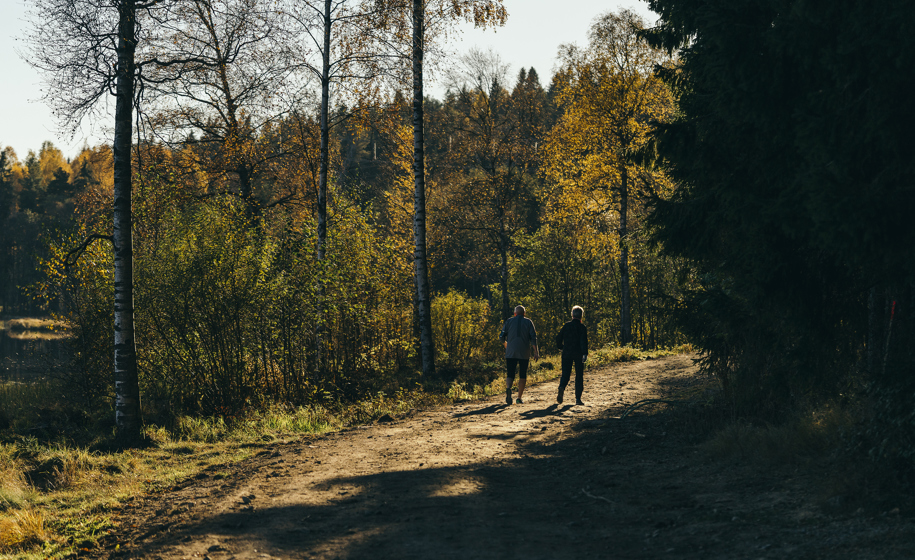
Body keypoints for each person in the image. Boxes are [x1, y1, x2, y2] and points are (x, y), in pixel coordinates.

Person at [499, 305, 539, 404]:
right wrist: (536, 351)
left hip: (511, 351)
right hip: (524, 352)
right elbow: (533, 338)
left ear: (515, 313)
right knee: (522, 374)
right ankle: (519, 398)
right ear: (524, 313)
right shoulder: (528, 322)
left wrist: (505, 345)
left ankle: (508, 388)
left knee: (510, 373)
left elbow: (501, 336)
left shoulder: (508, 321)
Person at [556, 305, 589, 405]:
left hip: (567, 352)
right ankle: (578, 398)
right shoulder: (582, 327)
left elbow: (558, 338)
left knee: (565, 373)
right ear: (581, 316)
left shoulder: (566, 326)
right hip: (578, 353)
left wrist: (561, 347)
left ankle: (562, 387)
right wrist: (585, 353)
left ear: (572, 315)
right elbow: (583, 341)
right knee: (579, 375)